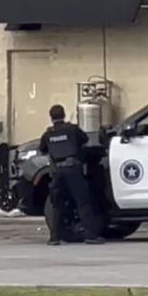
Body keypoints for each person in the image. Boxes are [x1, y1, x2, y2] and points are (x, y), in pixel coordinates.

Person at [39, 104, 103, 245]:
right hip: (73, 168)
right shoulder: (72, 130)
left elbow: (42, 149)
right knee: (83, 202)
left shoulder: (48, 134)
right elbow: (85, 140)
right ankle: (91, 236)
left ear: (51, 117)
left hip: (56, 171)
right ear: (64, 114)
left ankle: (54, 238)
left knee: (57, 204)